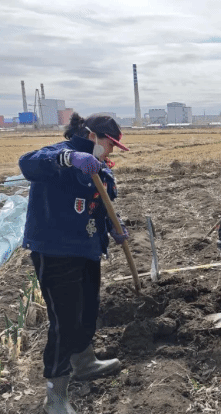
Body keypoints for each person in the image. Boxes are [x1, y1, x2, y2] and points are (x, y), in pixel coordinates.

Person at [19, 113, 130, 414]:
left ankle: (84, 362)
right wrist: (70, 159)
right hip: (55, 251)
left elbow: (99, 203)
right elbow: (27, 163)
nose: (111, 150)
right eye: (110, 143)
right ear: (92, 136)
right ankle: (55, 395)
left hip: (86, 248)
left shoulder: (98, 167)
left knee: (88, 310)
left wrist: (113, 226)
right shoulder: (59, 154)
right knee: (65, 320)